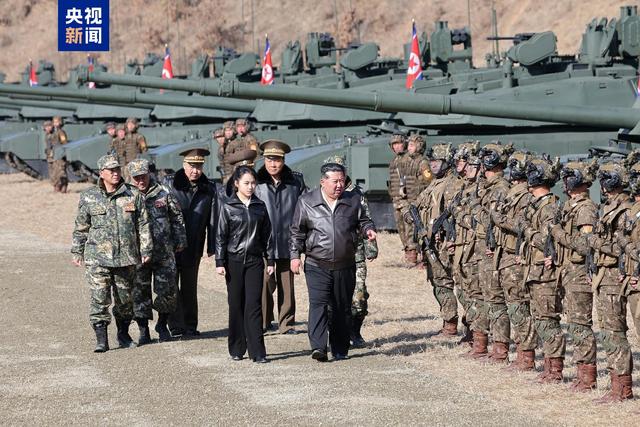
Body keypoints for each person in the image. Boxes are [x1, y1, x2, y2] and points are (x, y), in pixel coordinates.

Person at [290, 161, 377, 362]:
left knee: (342, 307)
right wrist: (295, 256)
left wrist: (368, 229)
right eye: (335, 181)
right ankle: (319, 347)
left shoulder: (353, 200)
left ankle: (340, 349)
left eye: (342, 181)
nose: (339, 185)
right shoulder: (306, 201)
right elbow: (296, 231)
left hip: (345, 264)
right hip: (316, 263)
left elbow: (363, 220)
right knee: (318, 304)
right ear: (323, 182)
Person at [71, 154, 152, 352]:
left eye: (117, 169)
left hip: (126, 258)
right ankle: (101, 340)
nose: (115, 173)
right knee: (99, 298)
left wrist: (146, 248)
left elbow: (143, 224)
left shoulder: (133, 194)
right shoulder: (89, 196)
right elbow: (81, 227)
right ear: (101, 173)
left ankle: (123, 334)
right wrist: (77, 251)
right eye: (111, 170)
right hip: (97, 258)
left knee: (125, 300)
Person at [548, 160, 599, 390]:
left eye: (570, 177)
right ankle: (581, 375)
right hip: (567, 271)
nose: (566, 182)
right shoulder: (570, 206)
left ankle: (587, 378)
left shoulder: (585, 208)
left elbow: (585, 245)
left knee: (580, 325)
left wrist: (558, 234)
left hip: (578, 273)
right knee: (574, 323)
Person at [216, 166, 275, 363]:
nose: (250, 187)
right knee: (235, 304)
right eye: (246, 183)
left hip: (255, 262)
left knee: (254, 305)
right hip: (233, 261)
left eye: (253, 183)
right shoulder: (228, 206)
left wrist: (270, 260)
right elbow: (220, 236)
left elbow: (267, 235)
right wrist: (219, 261)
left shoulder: (260, 206)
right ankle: (237, 348)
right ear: (236, 184)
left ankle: (258, 352)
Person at [404, 142, 463, 337]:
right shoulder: (434, 185)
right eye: (432, 161)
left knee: (451, 284)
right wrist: (410, 214)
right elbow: (414, 205)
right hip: (432, 243)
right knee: (439, 283)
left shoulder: (453, 184)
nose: (434, 164)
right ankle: (449, 323)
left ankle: (462, 327)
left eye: (438, 161)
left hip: (446, 243)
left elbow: (455, 213)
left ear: (447, 162)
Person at [127, 159, 188, 344]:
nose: (141, 181)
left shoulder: (163, 192)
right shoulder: (127, 195)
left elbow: (176, 217)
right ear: (131, 177)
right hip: (138, 253)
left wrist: (180, 239)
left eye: (143, 176)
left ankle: (162, 325)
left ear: (149, 174)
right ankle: (143, 329)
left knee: (167, 291)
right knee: (139, 292)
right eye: (137, 178)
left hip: (163, 251)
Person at [588, 161, 634, 402]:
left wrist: (594, 242)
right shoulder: (609, 207)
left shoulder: (625, 210)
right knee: (608, 330)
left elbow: (621, 248)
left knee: (614, 331)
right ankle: (617, 384)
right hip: (605, 276)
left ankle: (622, 388)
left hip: (616, 276)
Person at [489, 150, 538, 371]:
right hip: (505, 255)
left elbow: (522, 226)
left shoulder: (526, 197)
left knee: (519, 307)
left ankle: (525, 357)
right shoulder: (512, 193)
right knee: (511, 306)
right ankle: (511, 353)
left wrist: (499, 219)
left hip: (516, 257)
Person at [322, 155, 379, 347]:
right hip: (331, 255)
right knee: (331, 298)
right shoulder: (321, 194)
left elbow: (366, 220)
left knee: (359, 297)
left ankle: (355, 332)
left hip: (356, 255)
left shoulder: (356, 194)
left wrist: (371, 248)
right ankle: (335, 334)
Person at [254, 140, 307, 334]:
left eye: (277, 160)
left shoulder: (295, 182)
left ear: (283, 161)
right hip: (263, 241)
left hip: (287, 239)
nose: (273, 164)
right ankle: (263, 321)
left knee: (287, 283)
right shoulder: (256, 182)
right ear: (264, 160)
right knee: (264, 282)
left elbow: (305, 207)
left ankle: (286, 323)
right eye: (269, 160)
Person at [164, 148, 218, 337]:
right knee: (171, 285)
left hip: (194, 244)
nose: (195, 170)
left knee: (189, 287)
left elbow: (213, 219)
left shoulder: (209, 188)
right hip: (171, 245)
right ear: (184, 165)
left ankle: (190, 325)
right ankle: (175, 325)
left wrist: (212, 245)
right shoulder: (169, 184)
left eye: (199, 166)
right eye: (192, 166)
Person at [521, 156, 564, 383]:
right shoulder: (538, 205)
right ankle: (549, 367)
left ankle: (555, 370)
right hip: (535, 270)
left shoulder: (549, 207)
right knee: (540, 318)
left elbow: (547, 240)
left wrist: (527, 231)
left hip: (545, 273)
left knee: (548, 319)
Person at [474, 142, 513, 363]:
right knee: (489, 297)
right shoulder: (488, 187)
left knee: (496, 299)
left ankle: (500, 350)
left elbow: (493, 219)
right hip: (485, 248)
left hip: (493, 251)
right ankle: (492, 345)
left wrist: (475, 209)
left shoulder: (500, 189)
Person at [403, 134, 432, 266]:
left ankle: (425, 260)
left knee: (422, 230)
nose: (409, 147)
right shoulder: (410, 162)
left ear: (419, 147)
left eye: (412, 145)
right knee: (411, 231)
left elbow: (429, 181)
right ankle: (412, 257)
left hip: (421, 203)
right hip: (411, 201)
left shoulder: (423, 163)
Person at [387, 133, 412, 264]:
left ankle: (413, 256)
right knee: (401, 229)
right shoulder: (394, 162)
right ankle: (407, 252)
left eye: (399, 143)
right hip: (397, 201)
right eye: (394, 144)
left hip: (407, 201)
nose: (397, 146)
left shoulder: (409, 160)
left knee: (410, 229)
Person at [44, 120, 69, 193]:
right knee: (52, 173)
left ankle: (62, 186)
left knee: (60, 172)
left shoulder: (59, 132)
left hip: (58, 155)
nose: (48, 128)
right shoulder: (47, 135)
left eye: (49, 126)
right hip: (50, 156)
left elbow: (64, 142)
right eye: (46, 127)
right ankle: (56, 186)